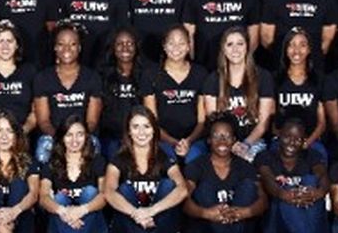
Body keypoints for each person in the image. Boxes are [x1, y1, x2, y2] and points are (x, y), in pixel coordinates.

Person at [103, 105, 187, 233]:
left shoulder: (164, 156)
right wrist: (136, 214)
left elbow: (182, 189)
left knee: (169, 185)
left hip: (158, 226)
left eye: (146, 126)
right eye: (136, 127)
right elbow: (109, 192)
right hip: (128, 226)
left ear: (154, 130)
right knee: (123, 190)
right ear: (128, 131)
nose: (141, 132)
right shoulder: (119, 159)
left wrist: (151, 211)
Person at [182, 113, 265, 233]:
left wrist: (244, 212)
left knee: (248, 186)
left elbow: (262, 200)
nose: (222, 141)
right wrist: (205, 213)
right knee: (204, 188)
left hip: (238, 227)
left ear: (234, 140)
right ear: (208, 140)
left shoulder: (245, 166)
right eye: (217, 136)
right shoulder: (196, 165)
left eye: (227, 136)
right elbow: (184, 200)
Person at [255, 118, 333, 233]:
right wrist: (285, 194)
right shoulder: (265, 156)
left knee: (311, 180)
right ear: (279, 135)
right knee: (284, 190)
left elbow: (323, 177)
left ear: (304, 141)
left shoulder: (312, 156)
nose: (291, 142)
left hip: (313, 226)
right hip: (278, 230)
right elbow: (268, 180)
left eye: (297, 139)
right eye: (287, 137)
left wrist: (318, 193)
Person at [38, 115, 108, 233]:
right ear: (62, 138)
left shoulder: (97, 161)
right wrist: (64, 212)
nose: (74, 140)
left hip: (94, 231)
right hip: (60, 227)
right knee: (59, 198)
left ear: (87, 137)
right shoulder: (52, 163)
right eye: (69, 135)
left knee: (90, 192)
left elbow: (105, 196)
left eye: (80, 134)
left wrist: (81, 210)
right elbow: (43, 197)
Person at [32, 22, 102, 164]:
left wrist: (77, 138)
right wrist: (62, 139)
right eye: (61, 44)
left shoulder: (92, 77)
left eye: (73, 44)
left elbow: (92, 121)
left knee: (93, 148)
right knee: (44, 149)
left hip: (83, 136)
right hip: (53, 136)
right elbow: (44, 121)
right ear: (55, 48)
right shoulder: (43, 78)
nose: (67, 49)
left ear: (79, 48)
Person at [202, 26, 274, 159]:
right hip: (222, 142)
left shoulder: (264, 77)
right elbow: (213, 120)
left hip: (253, 142)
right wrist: (232, 144)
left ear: (248, 46)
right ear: (223, 49)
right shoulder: (213, 79)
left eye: (240, 44)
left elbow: (263, 124)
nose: (235, 49)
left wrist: (246, 144)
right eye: (230, 44)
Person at [141, 25, 207, 166]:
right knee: (168, 163)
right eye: (171, 43)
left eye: (181, 43)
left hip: (194, 140)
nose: (176, 48)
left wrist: (188, 141)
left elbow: (202, 121)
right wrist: (173, 142)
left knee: (195, 160)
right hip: (163, 140)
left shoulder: (200, 74)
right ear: (164, 46)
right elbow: (153, 120)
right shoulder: (150, 75)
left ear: (189, 46)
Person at [273, 27, 326, 161]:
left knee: (320, 158)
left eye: (302, 45)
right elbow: (270, 120)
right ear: (285, 49)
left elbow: (322, 122)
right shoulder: (275, 79)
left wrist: (307, 142)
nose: (297, 51)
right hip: (280, 141)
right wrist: (283, 139)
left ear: (309, 49)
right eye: (292, 45)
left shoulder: (319, 80)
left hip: (311, 140)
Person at [0, 21, 37, 137]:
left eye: (9, 41)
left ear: (17, 45)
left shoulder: (30, 71)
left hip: (21, 136)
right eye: (1, 41)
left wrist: (20, 134)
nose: (5, 46)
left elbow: (35, 113)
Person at [99, 27, 143, 160]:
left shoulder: (146, 74)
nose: (125, 48)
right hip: (111, 137)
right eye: (120, 44)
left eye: (130, 43)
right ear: (113, 47)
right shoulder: (102, 76)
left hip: (141, 136)